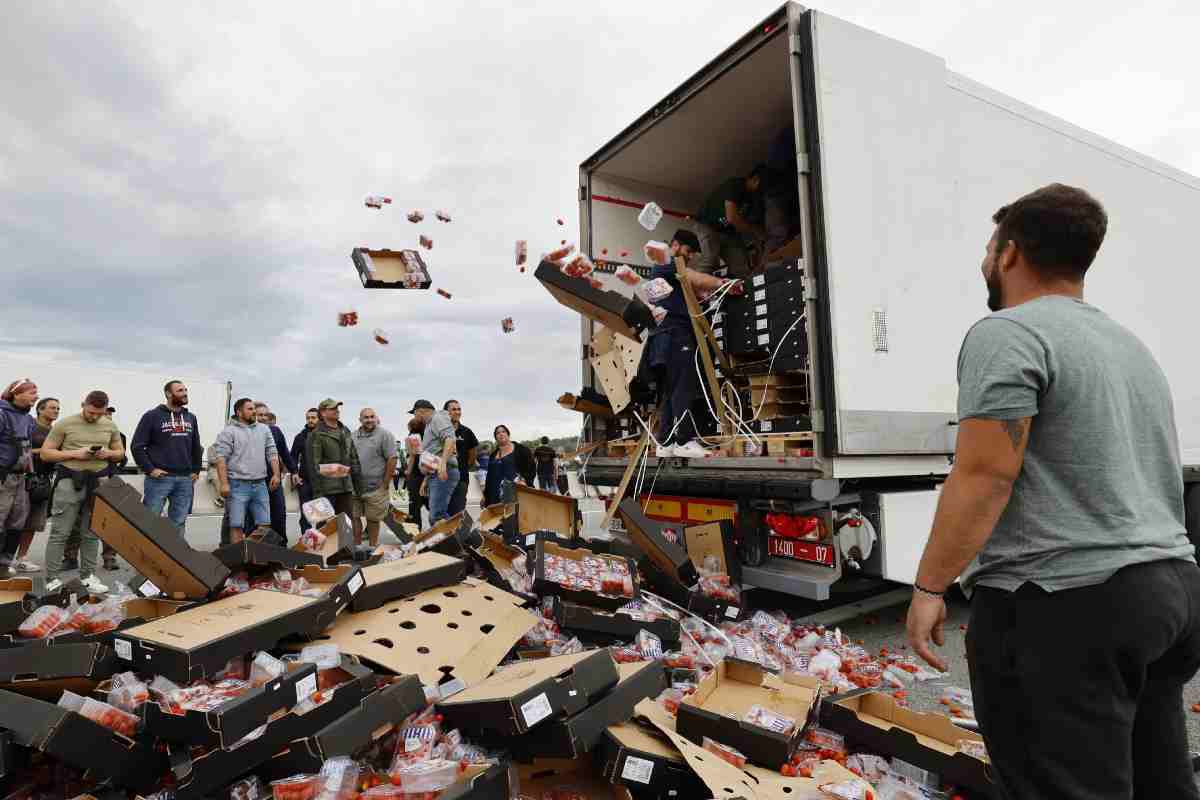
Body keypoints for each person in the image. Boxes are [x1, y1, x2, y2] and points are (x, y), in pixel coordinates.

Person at [905, 184, 1200, 800]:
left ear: (1009, 254)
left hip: (1064, 605)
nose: (985, 262)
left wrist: (930, 586)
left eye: (989, 249)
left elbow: (985, 474)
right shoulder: (1129, 346)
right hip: (1168, 591)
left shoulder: (1006, 332)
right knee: (1159, 779)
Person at [643, 229, 741, 458]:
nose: (688, 257)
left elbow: (692, 287)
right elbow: (693, 278)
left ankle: (665, 443)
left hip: (663, 338)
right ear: (675, 245)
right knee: (684, 387)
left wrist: (708, 292)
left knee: (670, 390)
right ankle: (684, 440)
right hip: (676, 334)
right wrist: (723, 283)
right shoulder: (666, 260)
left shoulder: (662, 270)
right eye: (688, 251)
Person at [40, 390, 124, 593]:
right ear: (83, 404)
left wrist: (108, 453)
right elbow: (45, 453)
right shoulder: (65, 424)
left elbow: (120, 452)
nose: (94, 417)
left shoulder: (110, 425)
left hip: (98, 481)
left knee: (92, 533)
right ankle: (51, 578)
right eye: (91, 412)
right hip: (70, 480)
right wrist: (75, 453)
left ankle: (88, 576)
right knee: (61, 532)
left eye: (99, 413)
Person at [131, 380, 202, 536]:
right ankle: (148, 558)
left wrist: (196, 470)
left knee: (178, 522)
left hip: (185, 479)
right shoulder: (152, 416)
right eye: (180, 390)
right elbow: (137, 446)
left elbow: (196, 446)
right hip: (160, 478)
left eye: (185, 390)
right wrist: (150, 469)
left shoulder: (191, 417)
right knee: (150, 521)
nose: (184, 393)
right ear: (168, 394)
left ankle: (173, 559)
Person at [212, 398, 279, 544]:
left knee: (265, 524)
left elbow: (272, 452)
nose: (254, 411)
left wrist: (276, 474)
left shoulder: (264, 429)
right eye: (250, 409)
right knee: (236, 525)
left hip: (260, 484)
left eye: (254, 408)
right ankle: (238, 560)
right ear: (239, 412)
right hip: (237, 485)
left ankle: (255, 559)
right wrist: (224, 484)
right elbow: (221, 458)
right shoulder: (228, 432)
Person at [9, 397, 58, 574]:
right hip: (23, 478)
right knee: (14, 520)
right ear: (40, 409)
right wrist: (45, 452)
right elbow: (18, 448)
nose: (56, 411)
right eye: (52, 408)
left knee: (34, 523)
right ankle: (5, 559)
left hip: (44, 480)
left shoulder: (56, 431)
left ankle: (22, 558)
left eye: (58, 408)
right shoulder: (30, 425)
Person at [692, 167, 767, 276]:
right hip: (707, 225)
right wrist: (753, 230)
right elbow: (731, 217)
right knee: (710, 259)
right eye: (762, 185)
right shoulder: (735, 185)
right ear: (755, 179)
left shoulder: (753, 198)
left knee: (741, 266)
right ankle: (692, 290)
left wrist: (758, 239)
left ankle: (746, 291)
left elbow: (747, 223)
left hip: (728, 232)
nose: (762, 190)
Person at [0, 380, 38, 578]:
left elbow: (27, 448)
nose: (36, 396)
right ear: (17, 394)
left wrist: (30, 473)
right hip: (3, 476)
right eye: (32, 392)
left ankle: (4, 564)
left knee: (17, 521)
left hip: (21, 477)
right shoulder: (2, 413)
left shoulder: (29, 419)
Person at [305, 399, 363, 521]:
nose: (336, 410)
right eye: (332, 408)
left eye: (337, 408)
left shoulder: (345, 431)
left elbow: (354, 458)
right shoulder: (316, 434)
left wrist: (358, 486)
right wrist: (318, 495)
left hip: (346, 488)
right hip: (326, 491)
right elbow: (313, 466)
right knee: (325, 529)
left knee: (347, 526)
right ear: (323, 413)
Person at [351, 408, 396, 547]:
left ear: (376, 418)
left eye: (372, 417)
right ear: (360, 420)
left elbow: (392, 458)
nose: (369, 420)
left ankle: (372, 547)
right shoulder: (352, 436)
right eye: (366, 417)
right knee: (354, 517)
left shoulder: (385, 435)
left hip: (376, 487)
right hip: (354, 487)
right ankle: (357, 547)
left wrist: (385, 484)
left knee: (373, 519)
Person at [411, 399, 457, 525]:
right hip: (434, 473)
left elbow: (450, 439)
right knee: (438, 515)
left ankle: (466, 538)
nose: (414, 417)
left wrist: (442, 465)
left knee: (437, 516)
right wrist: (426, 480)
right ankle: (459, 539)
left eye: (414, 413)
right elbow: (433, 453)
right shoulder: (430, 425)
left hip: (443, 471)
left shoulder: (437, 419)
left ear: (420, 411)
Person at [255, 403, 296, 542]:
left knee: (278, 513)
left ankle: (281, 544)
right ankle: (256, 548)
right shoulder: (247, 432)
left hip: (273, 479)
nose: (263, 418)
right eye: (260, 415)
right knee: (256, 518)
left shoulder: (275, 431)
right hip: (254, 481)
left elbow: (285, 453)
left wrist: (294, 471)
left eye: (265, 415)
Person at [482, 425, 535, 506]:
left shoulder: (521, 450)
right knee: (497, 518)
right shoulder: (493, 455)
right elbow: (489, 477)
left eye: (503, 431)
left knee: (514, 516)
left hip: (515, 493)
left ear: (508, 434)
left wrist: (524, 480)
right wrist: (485, 495)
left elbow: (531, 468)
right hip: (495, 496)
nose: (501, 434)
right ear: (495, 437)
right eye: (498, 433)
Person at [444, 400, 478, 517]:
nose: (457, 412)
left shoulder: (467, 432)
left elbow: (472, 456)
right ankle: (444, 536)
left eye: (459, 409)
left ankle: (457, 535)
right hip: (442, 479)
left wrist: (463, 468)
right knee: (442, 514)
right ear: (445, 413)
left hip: (461, 479)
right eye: (453, 409)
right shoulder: (439, 432)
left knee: (458, 513)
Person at [291, 408, 319, 532]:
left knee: (322, 514)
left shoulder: (326, 435)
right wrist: (294, 473)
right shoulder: (300, 437)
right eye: (308, 418)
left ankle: (324, 542)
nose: (310, 420)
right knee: (305, 513)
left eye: (313, 418)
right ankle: (307, 540)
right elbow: (292, 457)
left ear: (320, 419)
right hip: (305, 481)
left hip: (323, 482)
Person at [404, 416, 428, 528]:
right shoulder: (428, 437)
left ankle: (415, 532)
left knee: (414, 506)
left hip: (416, 474)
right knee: (431, 504)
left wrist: (408, 472)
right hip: (428, 472)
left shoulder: (412, 437)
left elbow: (413, 457)